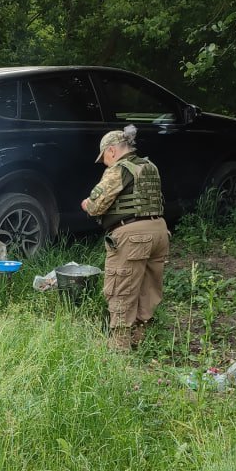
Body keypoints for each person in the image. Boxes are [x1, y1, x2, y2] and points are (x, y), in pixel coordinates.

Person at [80, 124, 170, 351]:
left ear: (112, 150)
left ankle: (119, 346)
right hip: (159, 231)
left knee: (121, 286)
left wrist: (87, 205)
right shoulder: (150, 166)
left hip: (132, 236)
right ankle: (141, 338)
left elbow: (97, 204)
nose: (105, 163)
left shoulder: (119, 169)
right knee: (147, 287)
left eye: (104, 159)